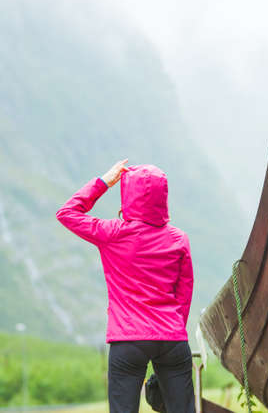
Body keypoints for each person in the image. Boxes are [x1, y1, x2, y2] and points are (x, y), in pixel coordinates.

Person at [56, 159, 195, 413]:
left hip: (128, 339)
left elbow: (67, 213)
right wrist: (173, 330)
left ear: (127, 195)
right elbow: (184, 293)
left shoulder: (113, 233)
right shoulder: (178, 239)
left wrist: (104, 182)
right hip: (172, 337)